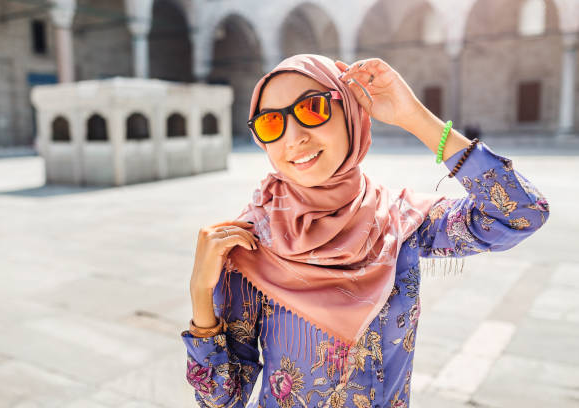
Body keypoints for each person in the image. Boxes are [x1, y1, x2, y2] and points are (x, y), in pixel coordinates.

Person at [181, 54, 550, 408]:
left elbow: (520, 214)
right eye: (270, 123)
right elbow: (222, 399)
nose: (292, 138)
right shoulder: (251, 246)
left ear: (352, 113)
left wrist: (414, 117)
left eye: (312, 109)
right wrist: (201, 295)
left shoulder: (400, 223)